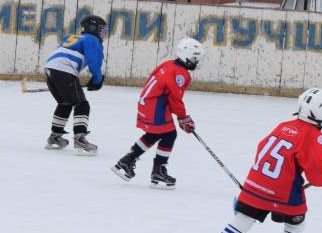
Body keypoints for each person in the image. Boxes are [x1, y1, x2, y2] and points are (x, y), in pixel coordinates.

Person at [199, 88, 322, 233]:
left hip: (254, 183)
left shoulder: (283, 126)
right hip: (283, 191)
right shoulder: (313, 137)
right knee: (296, 223)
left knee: (243, 218)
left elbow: (263, 148)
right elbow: (318, 175)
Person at [112, 36, 205, 189]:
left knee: (156, 134)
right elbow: (175, 98)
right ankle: (158, 171)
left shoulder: (169, 64)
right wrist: (183, 118)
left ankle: (127, 161)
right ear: (188, 57)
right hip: (155, 106)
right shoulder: (182, 74)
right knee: (169, 134)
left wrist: (181, 117)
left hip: (148, 103)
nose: (196, 62)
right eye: (195, 58)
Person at [43, 15, 106, 155]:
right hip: (64, 70)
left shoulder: (72, 37)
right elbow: (94, 63)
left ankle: (55, 137)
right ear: (93, 28)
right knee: (82, 104)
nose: (103, 33)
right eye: (101, 29)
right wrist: (97, 81)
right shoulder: (92, 39)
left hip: (50, 68)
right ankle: (80, 139)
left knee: (65, 103)